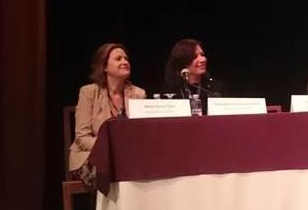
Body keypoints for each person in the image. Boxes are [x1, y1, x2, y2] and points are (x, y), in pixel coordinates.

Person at [69, 43, 146, 177]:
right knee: (115, 168)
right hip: (91, 156)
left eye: (126, 58)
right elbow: (82, 138)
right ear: (104, 67)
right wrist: (110, 149)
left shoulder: (138, 94)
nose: (124, 62)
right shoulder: (88, 93)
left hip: (126, 157)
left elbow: (141, 134)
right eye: (118, 59)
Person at [161, 39, 226, 111]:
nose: (203, 60)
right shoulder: (171, 90)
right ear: (182, 61)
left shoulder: (216, 88)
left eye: (202, 55)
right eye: (195, 57)